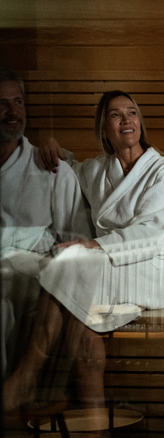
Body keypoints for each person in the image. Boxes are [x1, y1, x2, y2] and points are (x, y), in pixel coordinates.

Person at [4, 90, 164, 416]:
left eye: (132, 113)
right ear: (104, 128)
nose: (126, 120)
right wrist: (51, 144)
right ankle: (94, 423)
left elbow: (151, 232)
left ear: (140, 122)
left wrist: (94, 244)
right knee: (83, 318)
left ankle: (26, 378)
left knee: (71, 265)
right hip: (107, 266)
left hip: (158, 265)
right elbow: (64, 166)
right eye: (115, 115)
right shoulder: (95, 171)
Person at [0, 68, 92, 382]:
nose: (12, 112)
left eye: (18, 102)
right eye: (2, 104)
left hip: (34, 275)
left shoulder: (51, 168)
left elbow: (75, 238)